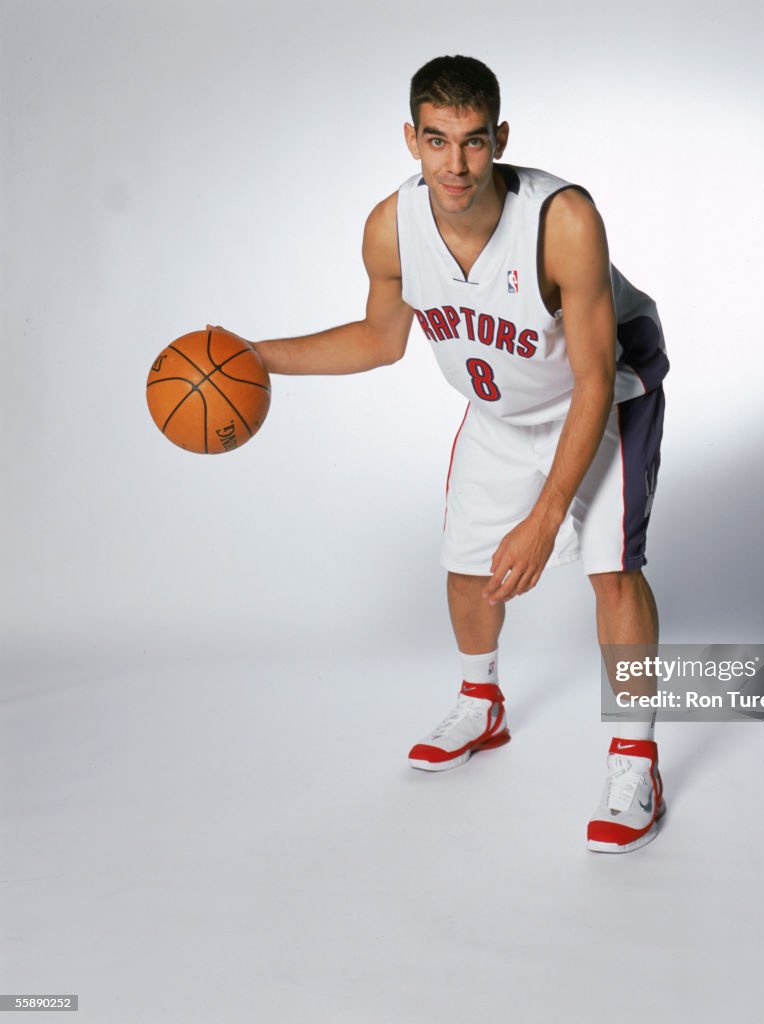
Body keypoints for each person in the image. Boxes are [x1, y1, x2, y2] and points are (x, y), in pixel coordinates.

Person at [226, 56, 669, 853]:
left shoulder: (561, 220)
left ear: (499, 137)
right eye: (436, 142)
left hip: (605, 392)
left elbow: (594, 375)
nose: (455, 164)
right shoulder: (390, 226)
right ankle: (482, 703)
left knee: (611, 567)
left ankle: (635, 754)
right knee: (467, 569)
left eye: (472, 142)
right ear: (411, 139)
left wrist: (544, 520)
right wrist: (252, 357)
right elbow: (378, 337)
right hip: (502, 404)